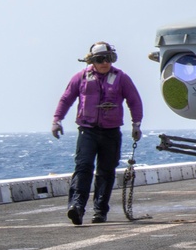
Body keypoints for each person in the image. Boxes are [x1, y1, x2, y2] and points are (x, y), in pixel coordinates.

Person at [52, 42, 143, 225]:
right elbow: (66, 98)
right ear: (92, 61)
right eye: (101, 60)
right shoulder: (81, 78)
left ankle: (100, 211)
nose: (105, 63)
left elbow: (134, 100)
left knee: (106, 171)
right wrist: (57, 120)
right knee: (83, 167)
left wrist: (136, 124)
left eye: (108, 59)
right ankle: (76, 207)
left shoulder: (121, 78)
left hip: (111, 133)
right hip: (88, 131)